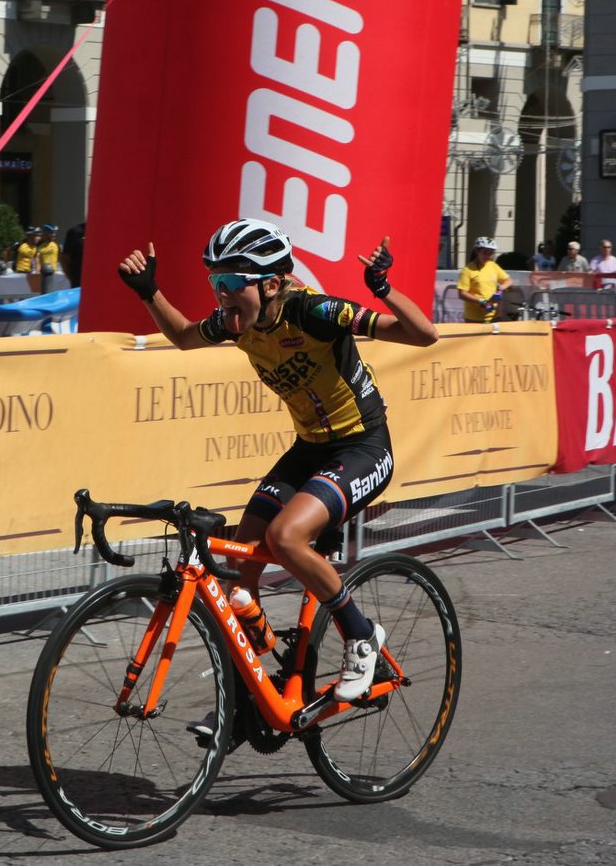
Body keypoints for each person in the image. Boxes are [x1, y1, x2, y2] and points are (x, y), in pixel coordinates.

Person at [116, 219, 437, 703]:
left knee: (285, 537)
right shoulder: (235, 324)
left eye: (230, 283)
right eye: (214, 282)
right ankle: (257, 694)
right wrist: (148, 291)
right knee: (237, 568)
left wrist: (383, 289)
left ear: (269, 283)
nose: (221, 295)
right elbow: (183, 336)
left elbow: (423, 334)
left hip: (362, 446)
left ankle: (362, 636)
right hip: (310, 450)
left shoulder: (315, 312)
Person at [457, 237, 512, 321]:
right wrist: (481, 301)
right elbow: (462, 293)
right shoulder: (467, 270)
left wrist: (500, 289)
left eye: (491, 253)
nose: (488, 256)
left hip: (494, 316)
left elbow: (508, 280)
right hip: (474, 318)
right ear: (477, 251)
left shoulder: (492, 265)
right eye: (485, 253)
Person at [36, 224, 61, 290]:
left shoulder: (56, 245)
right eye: (52, 233)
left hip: (54, 275)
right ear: (45, 233)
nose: (54, 235)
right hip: (42, 275)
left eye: (54, 233)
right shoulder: (40, 246)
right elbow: (37, 260)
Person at [62, 221, 85, 287]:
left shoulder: (104, 231)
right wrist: (72, 278)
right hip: (78, 281)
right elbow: (64, 258)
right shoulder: (75, 232)